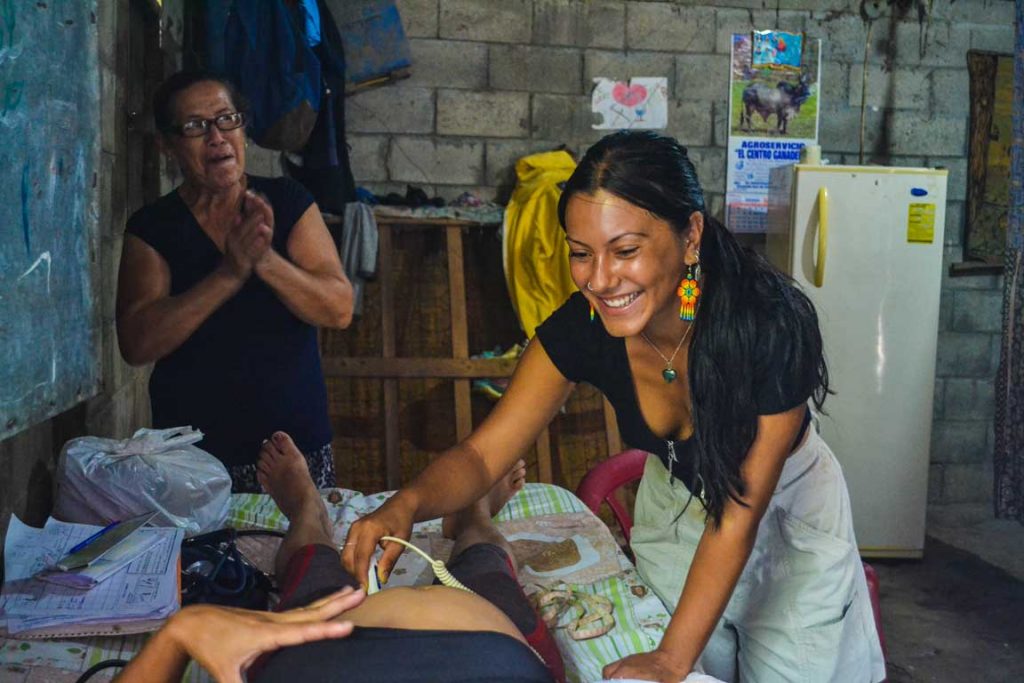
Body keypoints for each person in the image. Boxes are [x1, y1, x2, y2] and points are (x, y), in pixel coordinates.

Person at [343, 131, 887, 682]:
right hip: (679, 506)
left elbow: (737, 517)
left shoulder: (769, 326)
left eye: (625, 251)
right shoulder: (585, 329)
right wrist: (407, 504)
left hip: (785, 510)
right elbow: (485, 458)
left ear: (690, 235)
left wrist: (671, 658)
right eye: (582, 254)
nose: (600, 280)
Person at [114, 432, 561, 683]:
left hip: (319, 644)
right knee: (487, 562)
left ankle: (308, 512)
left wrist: (181, 634)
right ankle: (475, 513)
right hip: (492, 639)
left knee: (313, 568)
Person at [116, 71, 353, 491]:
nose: (217, 137)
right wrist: (229, 272)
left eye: (227, 119)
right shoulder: (153, 227)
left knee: (301, 552)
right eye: (194, 126)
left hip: (294, 450)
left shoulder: (287, 201)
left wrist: (263, 259)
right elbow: (137, 343)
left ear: (243, 127)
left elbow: (338, 308)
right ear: (167, 145)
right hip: (193, 461)